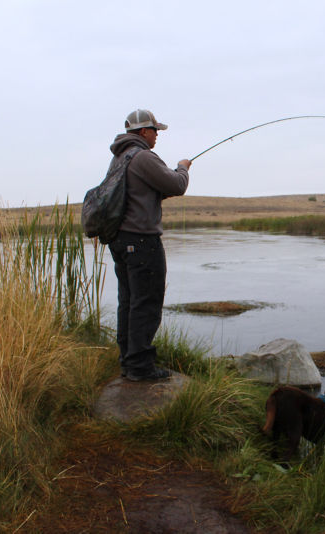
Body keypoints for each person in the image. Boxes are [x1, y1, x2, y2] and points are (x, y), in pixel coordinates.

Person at [107, 109, 191, 381]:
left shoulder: (120, 158)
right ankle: (141, 368)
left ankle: (128, 362)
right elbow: (177, 185)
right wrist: (182, 168)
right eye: (156, 130)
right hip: (142, 241)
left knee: (129, 302)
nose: (157, 135)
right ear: (143, 131)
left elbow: (146, 192)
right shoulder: (143, 156)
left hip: (121, 241)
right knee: (146, 304)